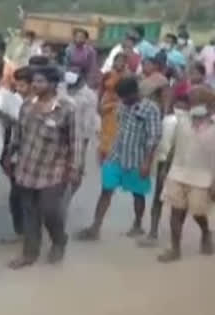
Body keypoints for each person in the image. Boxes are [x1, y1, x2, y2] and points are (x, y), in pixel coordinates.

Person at [8, 66, 78, 269]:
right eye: (35, 81)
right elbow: (18, 133)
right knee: (29, 212)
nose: (35, 85)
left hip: (53, 169)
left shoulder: (67, 108)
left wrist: (74, 168)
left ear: (53, 84)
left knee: (49, 210)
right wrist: (10, 154)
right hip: (27, 167)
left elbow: (75, 142)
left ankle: (59, 240)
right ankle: (29, 254)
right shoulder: (27, 105)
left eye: (40, 82)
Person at [77, 76, 162, 241]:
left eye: (126, 97)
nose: (124, 100)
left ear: (135, 93)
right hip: (116, 154)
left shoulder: (151, 109)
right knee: (106, 189)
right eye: (121, 97)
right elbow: (119, 127)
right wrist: (105, 149)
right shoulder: (122, 104)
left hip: (138, 158)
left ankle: (137, 225)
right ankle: (95, 228)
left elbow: (154, 137)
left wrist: (147, 162)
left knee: (138, 194)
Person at [157, 87, 215, 263]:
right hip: (178, 172)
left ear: (210, 105)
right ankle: (175, 249)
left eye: (198, 101)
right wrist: (165, 168)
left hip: (203, 177)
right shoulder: (181, 121)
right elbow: (173, 147)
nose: (194, 104)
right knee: (176, 211)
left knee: (198, 212)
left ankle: (206, 232)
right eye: (192, 101)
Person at [137, 93, 188, 248]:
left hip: (166, 164)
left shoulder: (168, 120)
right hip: (181, 167)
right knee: (179, 204)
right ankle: (175, 237)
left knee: (158, 199)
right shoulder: (192, 122)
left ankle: (153, 233)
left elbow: (161, 145)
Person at [1, 66, 34, 242]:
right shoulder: (11, 99)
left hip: (34, 153)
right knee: (15, 194)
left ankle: (31, 230)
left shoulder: (38, 101)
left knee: (29, 195)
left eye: (23, 85)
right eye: (18, 84)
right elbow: (7, 124)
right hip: (15, 149)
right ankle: (20, 230)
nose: (20, 88)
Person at [64, 64, 99, 213]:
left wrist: (81, 153)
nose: (71, 74)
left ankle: (65, 202)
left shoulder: (89, 96)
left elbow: (87, 126)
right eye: (70, 70)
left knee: (76, 174)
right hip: (59, 137)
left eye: (75, 72)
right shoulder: (61, 87)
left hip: (78, 139)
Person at [99, 52, 129, 162]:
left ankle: (113, 154)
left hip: (119, 105)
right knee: (104, 130)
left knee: (115, 130)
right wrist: (99, 103)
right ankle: (103, 153)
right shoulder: (108, 74)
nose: (119, 63)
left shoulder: (128, 76)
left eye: (122, 61)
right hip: (106, 105)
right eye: (117, 60)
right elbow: (101, 89)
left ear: (126, 63)